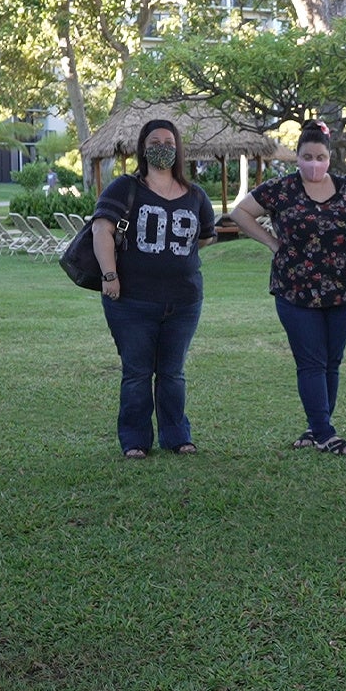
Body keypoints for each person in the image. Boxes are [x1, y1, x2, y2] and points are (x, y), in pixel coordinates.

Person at [229, 120, 346, 455]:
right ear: (298, 157)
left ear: (329, 157)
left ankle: (317, 425)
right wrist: (272, 243)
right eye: (307, 157)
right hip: (296, 290)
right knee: (311, 362)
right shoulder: (281, 189)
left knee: (331, 361)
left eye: (320, 157)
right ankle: (324, 433)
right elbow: (241, 212)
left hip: (345, 290)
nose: (314, 164)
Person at [90, 118, 218, 459]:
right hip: (131, 301)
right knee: (137, 373)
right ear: (143, 149)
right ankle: (135, 440)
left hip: (184, 302)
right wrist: (110, 275)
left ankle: (177, 436)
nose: (163, 147)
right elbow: (101, 230)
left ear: (178, 149)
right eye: (155, 142)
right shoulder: (124, 188)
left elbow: (204, 237)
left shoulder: (195, 195)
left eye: (169, 142)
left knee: (173, 373)